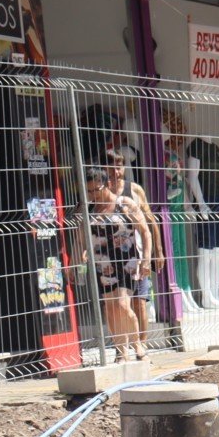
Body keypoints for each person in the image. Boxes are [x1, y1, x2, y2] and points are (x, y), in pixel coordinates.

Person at [75, 166, 150, 361]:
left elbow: (145, 231)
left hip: (126, 261)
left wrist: (147, 258)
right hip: (102, 263)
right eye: (89, 191)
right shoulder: (88, 210)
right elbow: (80, 240)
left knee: (122, 304)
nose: (93, 195)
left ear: (107, 184)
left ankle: (137, 345)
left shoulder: (123, 204)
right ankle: (121, 351)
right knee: (110, 308)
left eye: (96, 190)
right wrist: (77, 259)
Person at [107, 149, 163, 354]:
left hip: (138, 255)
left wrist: (158, 249)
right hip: (113, 257)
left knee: (140, 302)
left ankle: (142, 344)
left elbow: (150, 219)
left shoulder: (134, 190)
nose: (116, 171)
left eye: (119, 166)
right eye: (112, 166)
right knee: (119, 305)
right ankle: (121, 348)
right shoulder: (102, 193)